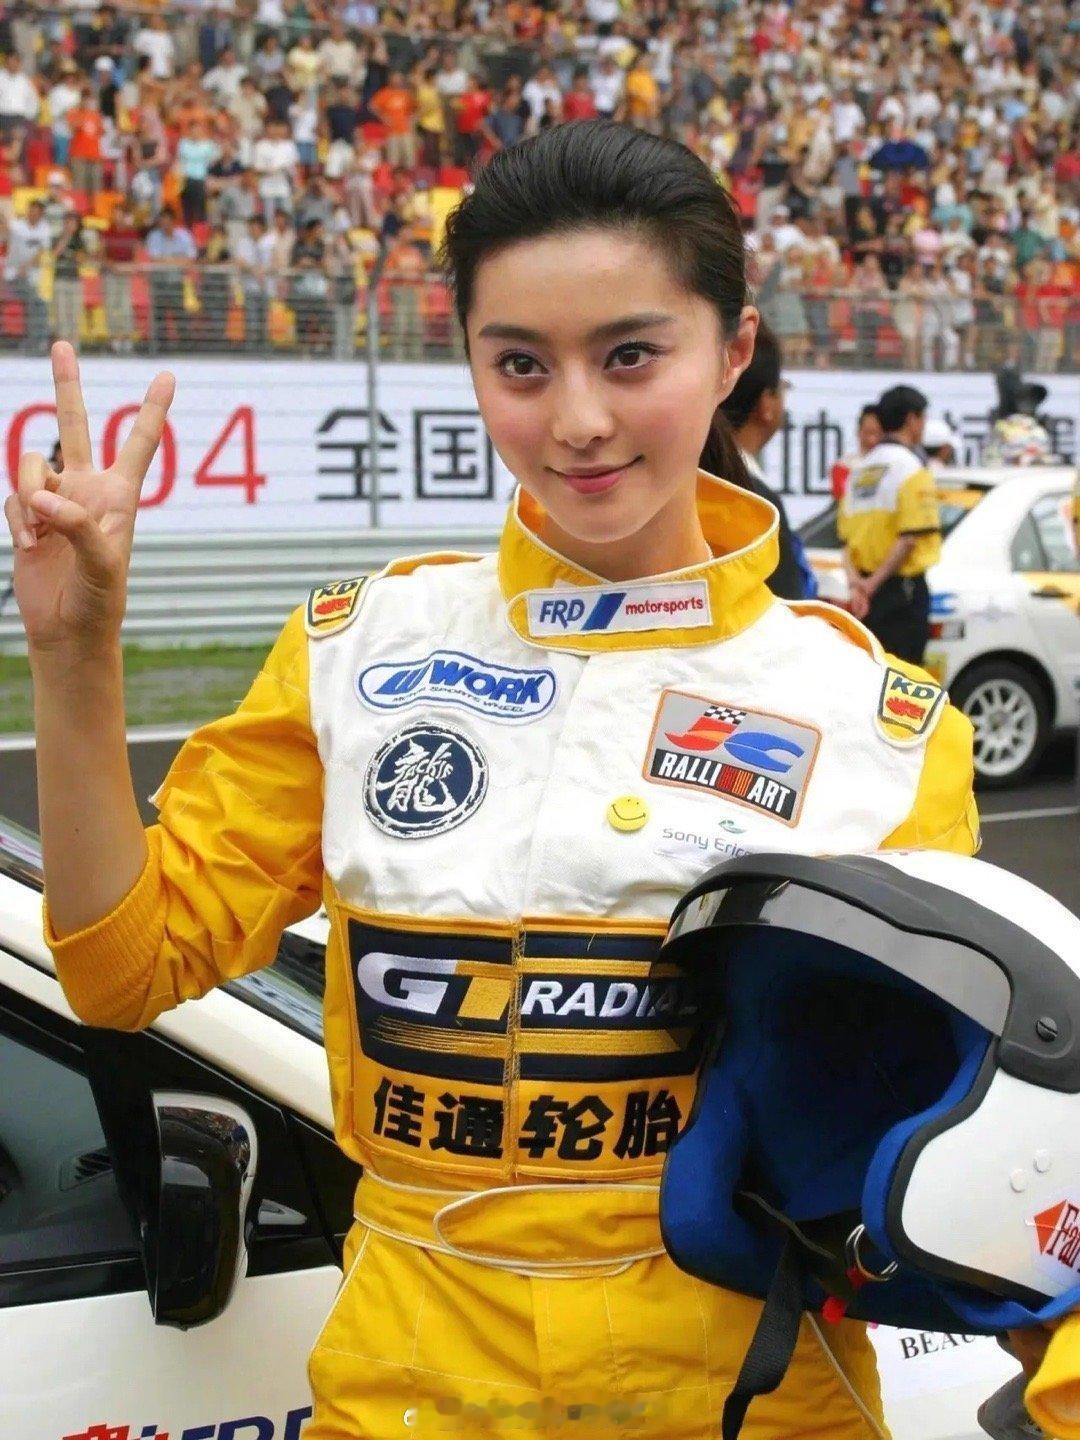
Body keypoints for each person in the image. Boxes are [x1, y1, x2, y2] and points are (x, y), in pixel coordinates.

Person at [9, 122, 993, 1440]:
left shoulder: (878, 723)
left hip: (751, 1398)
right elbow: (120, 972)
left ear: (733, 353)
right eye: (520, 364)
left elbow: (986, 1137)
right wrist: (76, 659)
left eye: (631, 355)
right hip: (408, 1395)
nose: (577, 420)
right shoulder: (361, 652)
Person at [840, 384, 941, 663]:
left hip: (864, 598)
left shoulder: (859, 471)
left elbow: (845, 542)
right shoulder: (912, 469)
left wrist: (857, 586)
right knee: (903, 679)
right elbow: (909, 539)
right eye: (923, 418)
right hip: (902, 596)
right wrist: (872, 585)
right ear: (911, 420)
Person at [718, 320, 816, 600]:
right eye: (781, 388)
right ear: (766, 404)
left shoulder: (685, 486)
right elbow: (787, 607)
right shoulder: (758, 505)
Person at [831, 403, 883, 501]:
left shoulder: (896, 464)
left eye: (878, 434)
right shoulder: (843, 466)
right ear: (858, 432)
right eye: (868, 433)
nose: (872, 440)